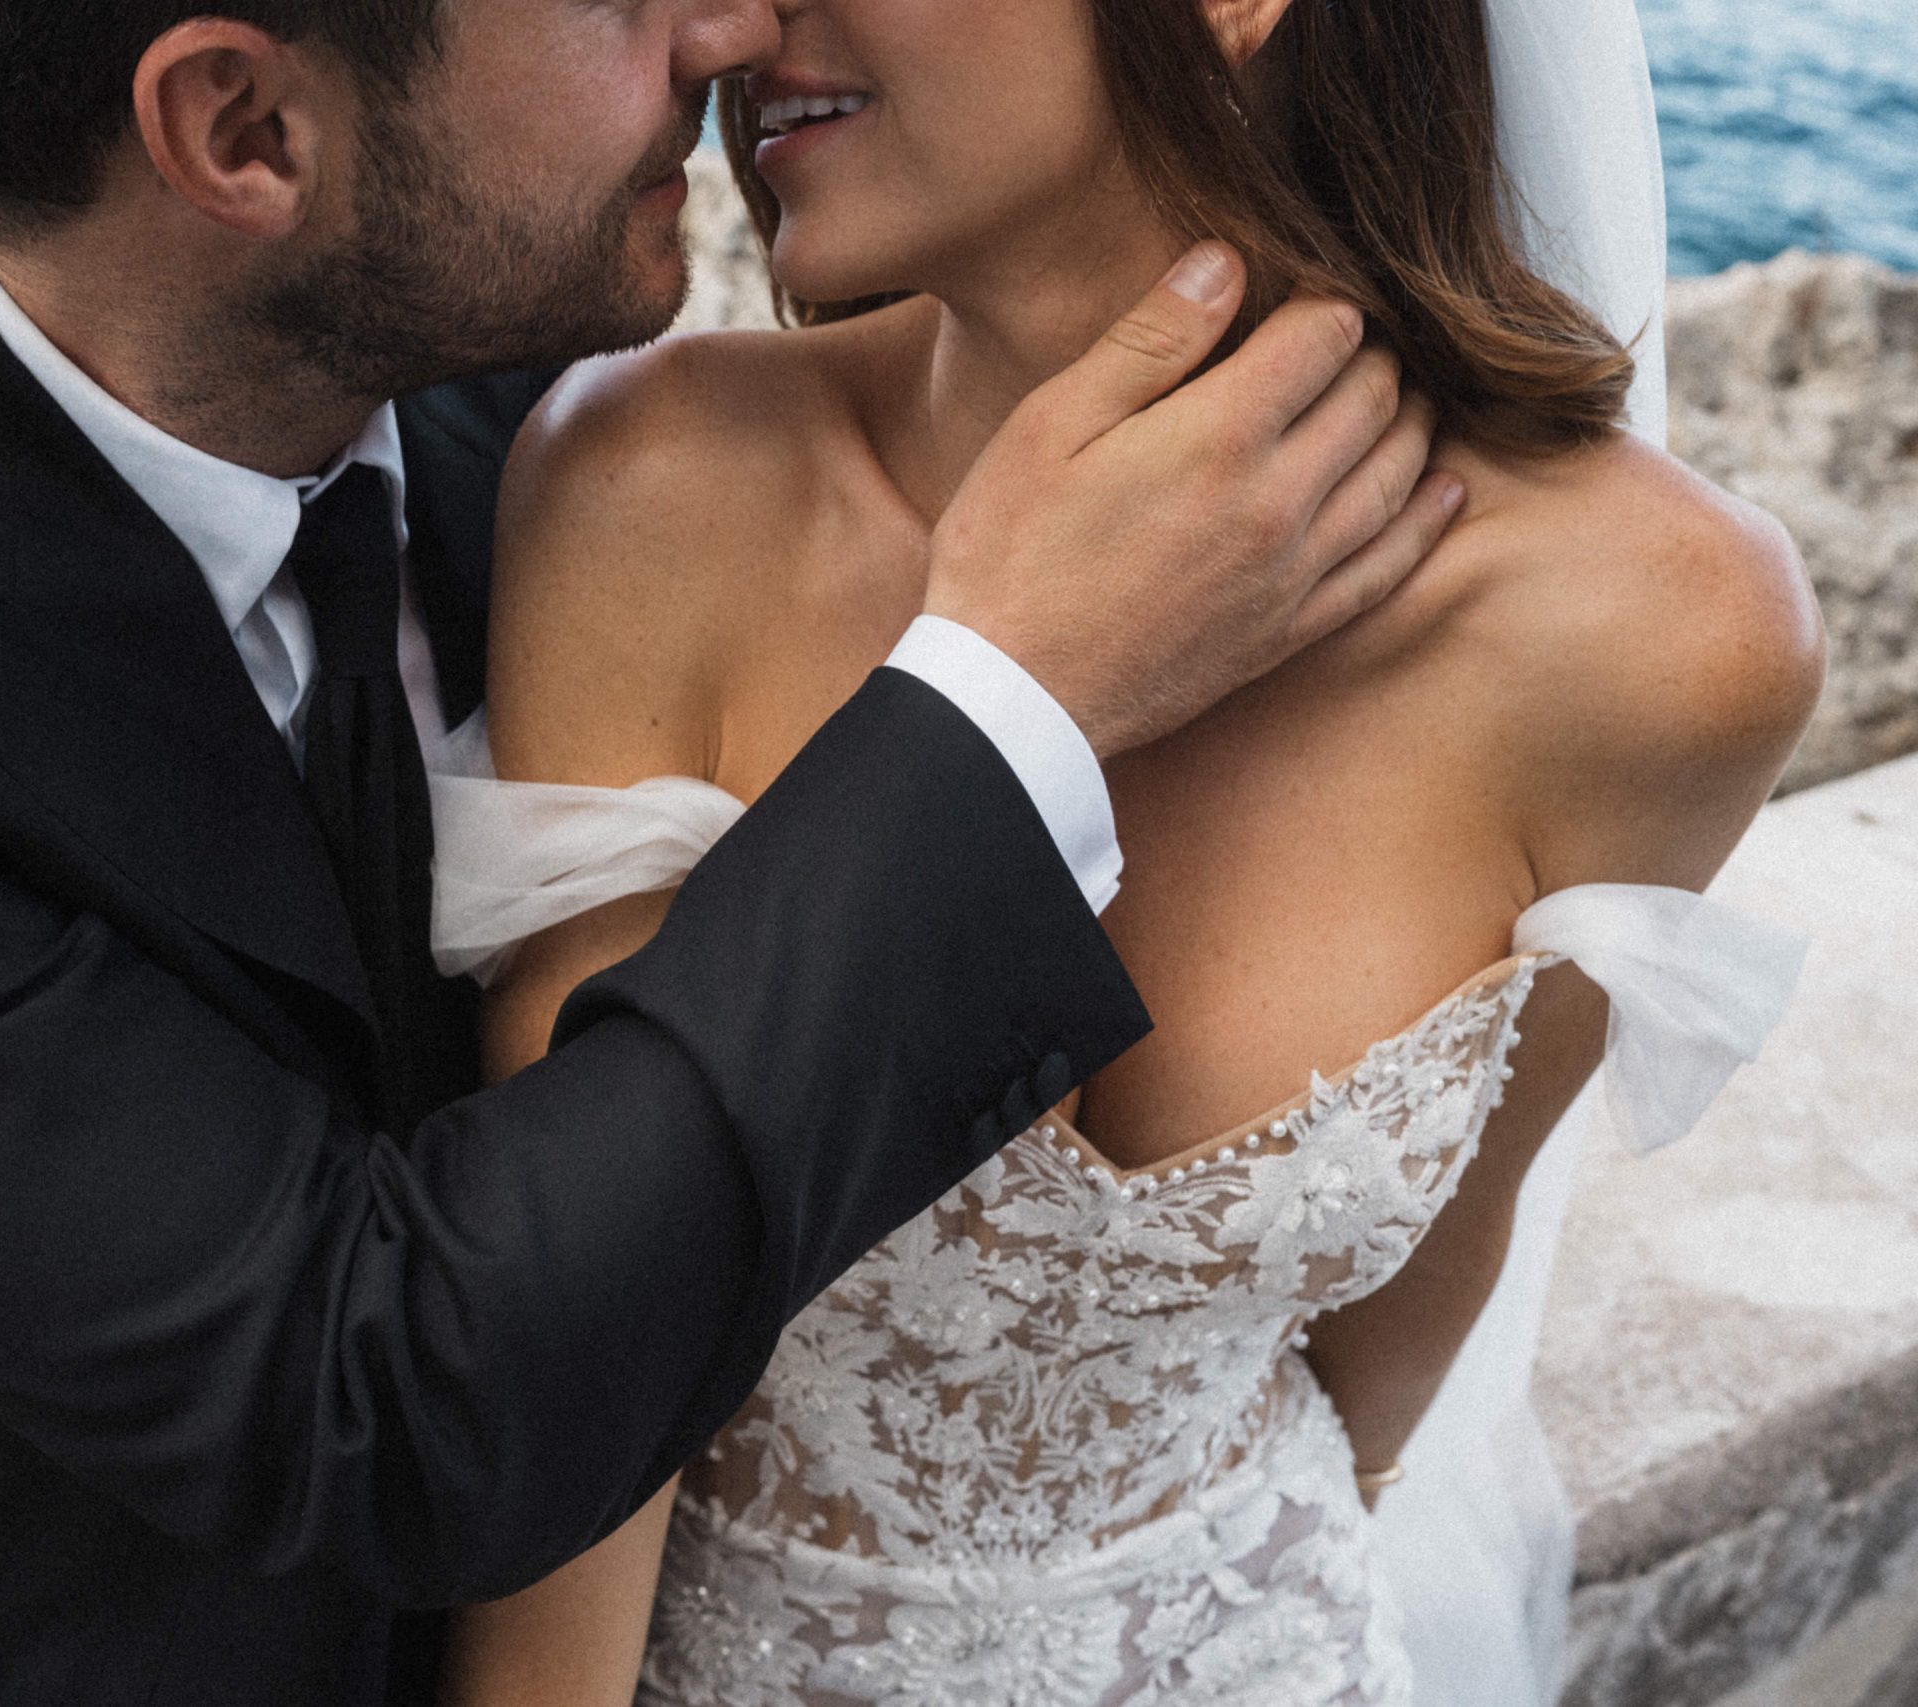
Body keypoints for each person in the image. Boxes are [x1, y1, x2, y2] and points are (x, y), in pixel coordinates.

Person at [0, 0, 1456, 1702]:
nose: (729, 28)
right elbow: (384, 1395)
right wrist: (1015, 703)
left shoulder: (536, 372)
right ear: (242, 129)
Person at [425, 0, 1824, 1698]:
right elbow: (576, 1375)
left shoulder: (1668, 632)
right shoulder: (651, 480)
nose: (734, 19)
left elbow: (1396, 1346)